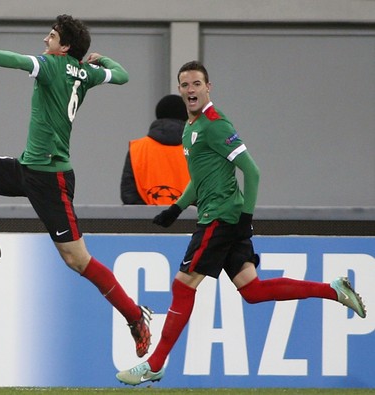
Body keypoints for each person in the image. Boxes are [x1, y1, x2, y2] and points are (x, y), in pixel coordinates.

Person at [116, 60, 367, 385]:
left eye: (196, 84)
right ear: (180, 91)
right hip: (220, 216)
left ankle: (155, 363)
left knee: (182, 285)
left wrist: (245, 217)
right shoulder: (190, 129)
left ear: (208, 88)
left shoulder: (215, 124)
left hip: (221, 217)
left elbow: (252, 170)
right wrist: (176, 208)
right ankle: (333, 290)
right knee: (252, 290)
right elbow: (200, 178)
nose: (190, 90)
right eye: (185, 85)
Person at [0, 14, 152, 358]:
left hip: (51, 178)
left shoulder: (52, 66)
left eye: (52, 36)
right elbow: (123, 75)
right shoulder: (85, 73)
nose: (45, 40)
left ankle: (134, 317)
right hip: (30, 167)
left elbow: (11, 60)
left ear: (64, 47)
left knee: (77, 260)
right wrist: (101, 60)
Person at [120, 94, 190, 205]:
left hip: (146, 221)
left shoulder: (138, 150)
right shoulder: (197, 150)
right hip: (189, 220)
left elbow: (128, 194)